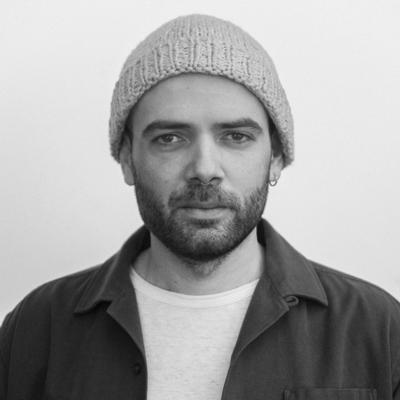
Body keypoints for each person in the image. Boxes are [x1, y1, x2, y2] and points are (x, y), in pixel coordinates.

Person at [0, 13, 399, 400]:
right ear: (126, 159)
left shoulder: (377, 328)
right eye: (170, 138)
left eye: (236, 136)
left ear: (276, 156)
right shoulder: (37, 329)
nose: (205, 169)